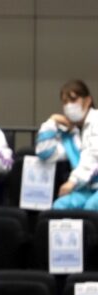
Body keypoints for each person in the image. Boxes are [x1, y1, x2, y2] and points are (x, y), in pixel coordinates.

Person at [36, 79, 98, 210]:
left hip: (89, 186)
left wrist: (72, 181)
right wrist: (52, 121)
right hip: (84, 189)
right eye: (65, 102)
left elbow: (93, 156)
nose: (69, 105)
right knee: (59, 206)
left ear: (87, 101)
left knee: (91, 207)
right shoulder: (69, 133)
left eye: (73, 100)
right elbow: (45, 153)